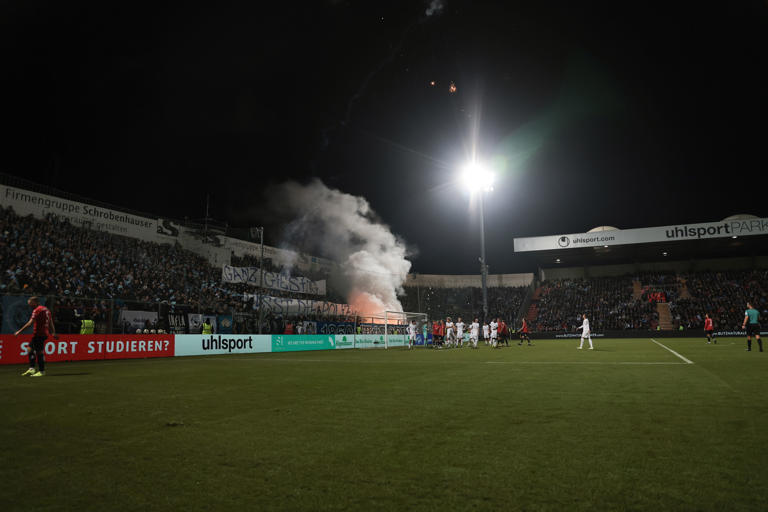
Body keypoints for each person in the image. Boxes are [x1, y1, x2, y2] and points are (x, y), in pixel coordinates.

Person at [16, 297, 57, 377]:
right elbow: (50, 322)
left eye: (30, 303)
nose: (29, 305)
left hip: (39, 334)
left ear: (35, 302)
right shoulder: (46, 310)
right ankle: (32, 369)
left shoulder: (37, 310)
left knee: (39, 352)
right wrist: (53, 332)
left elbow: (30, 323)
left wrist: (19, 331)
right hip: (43, 333)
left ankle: (41, 371)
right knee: (30, 349)